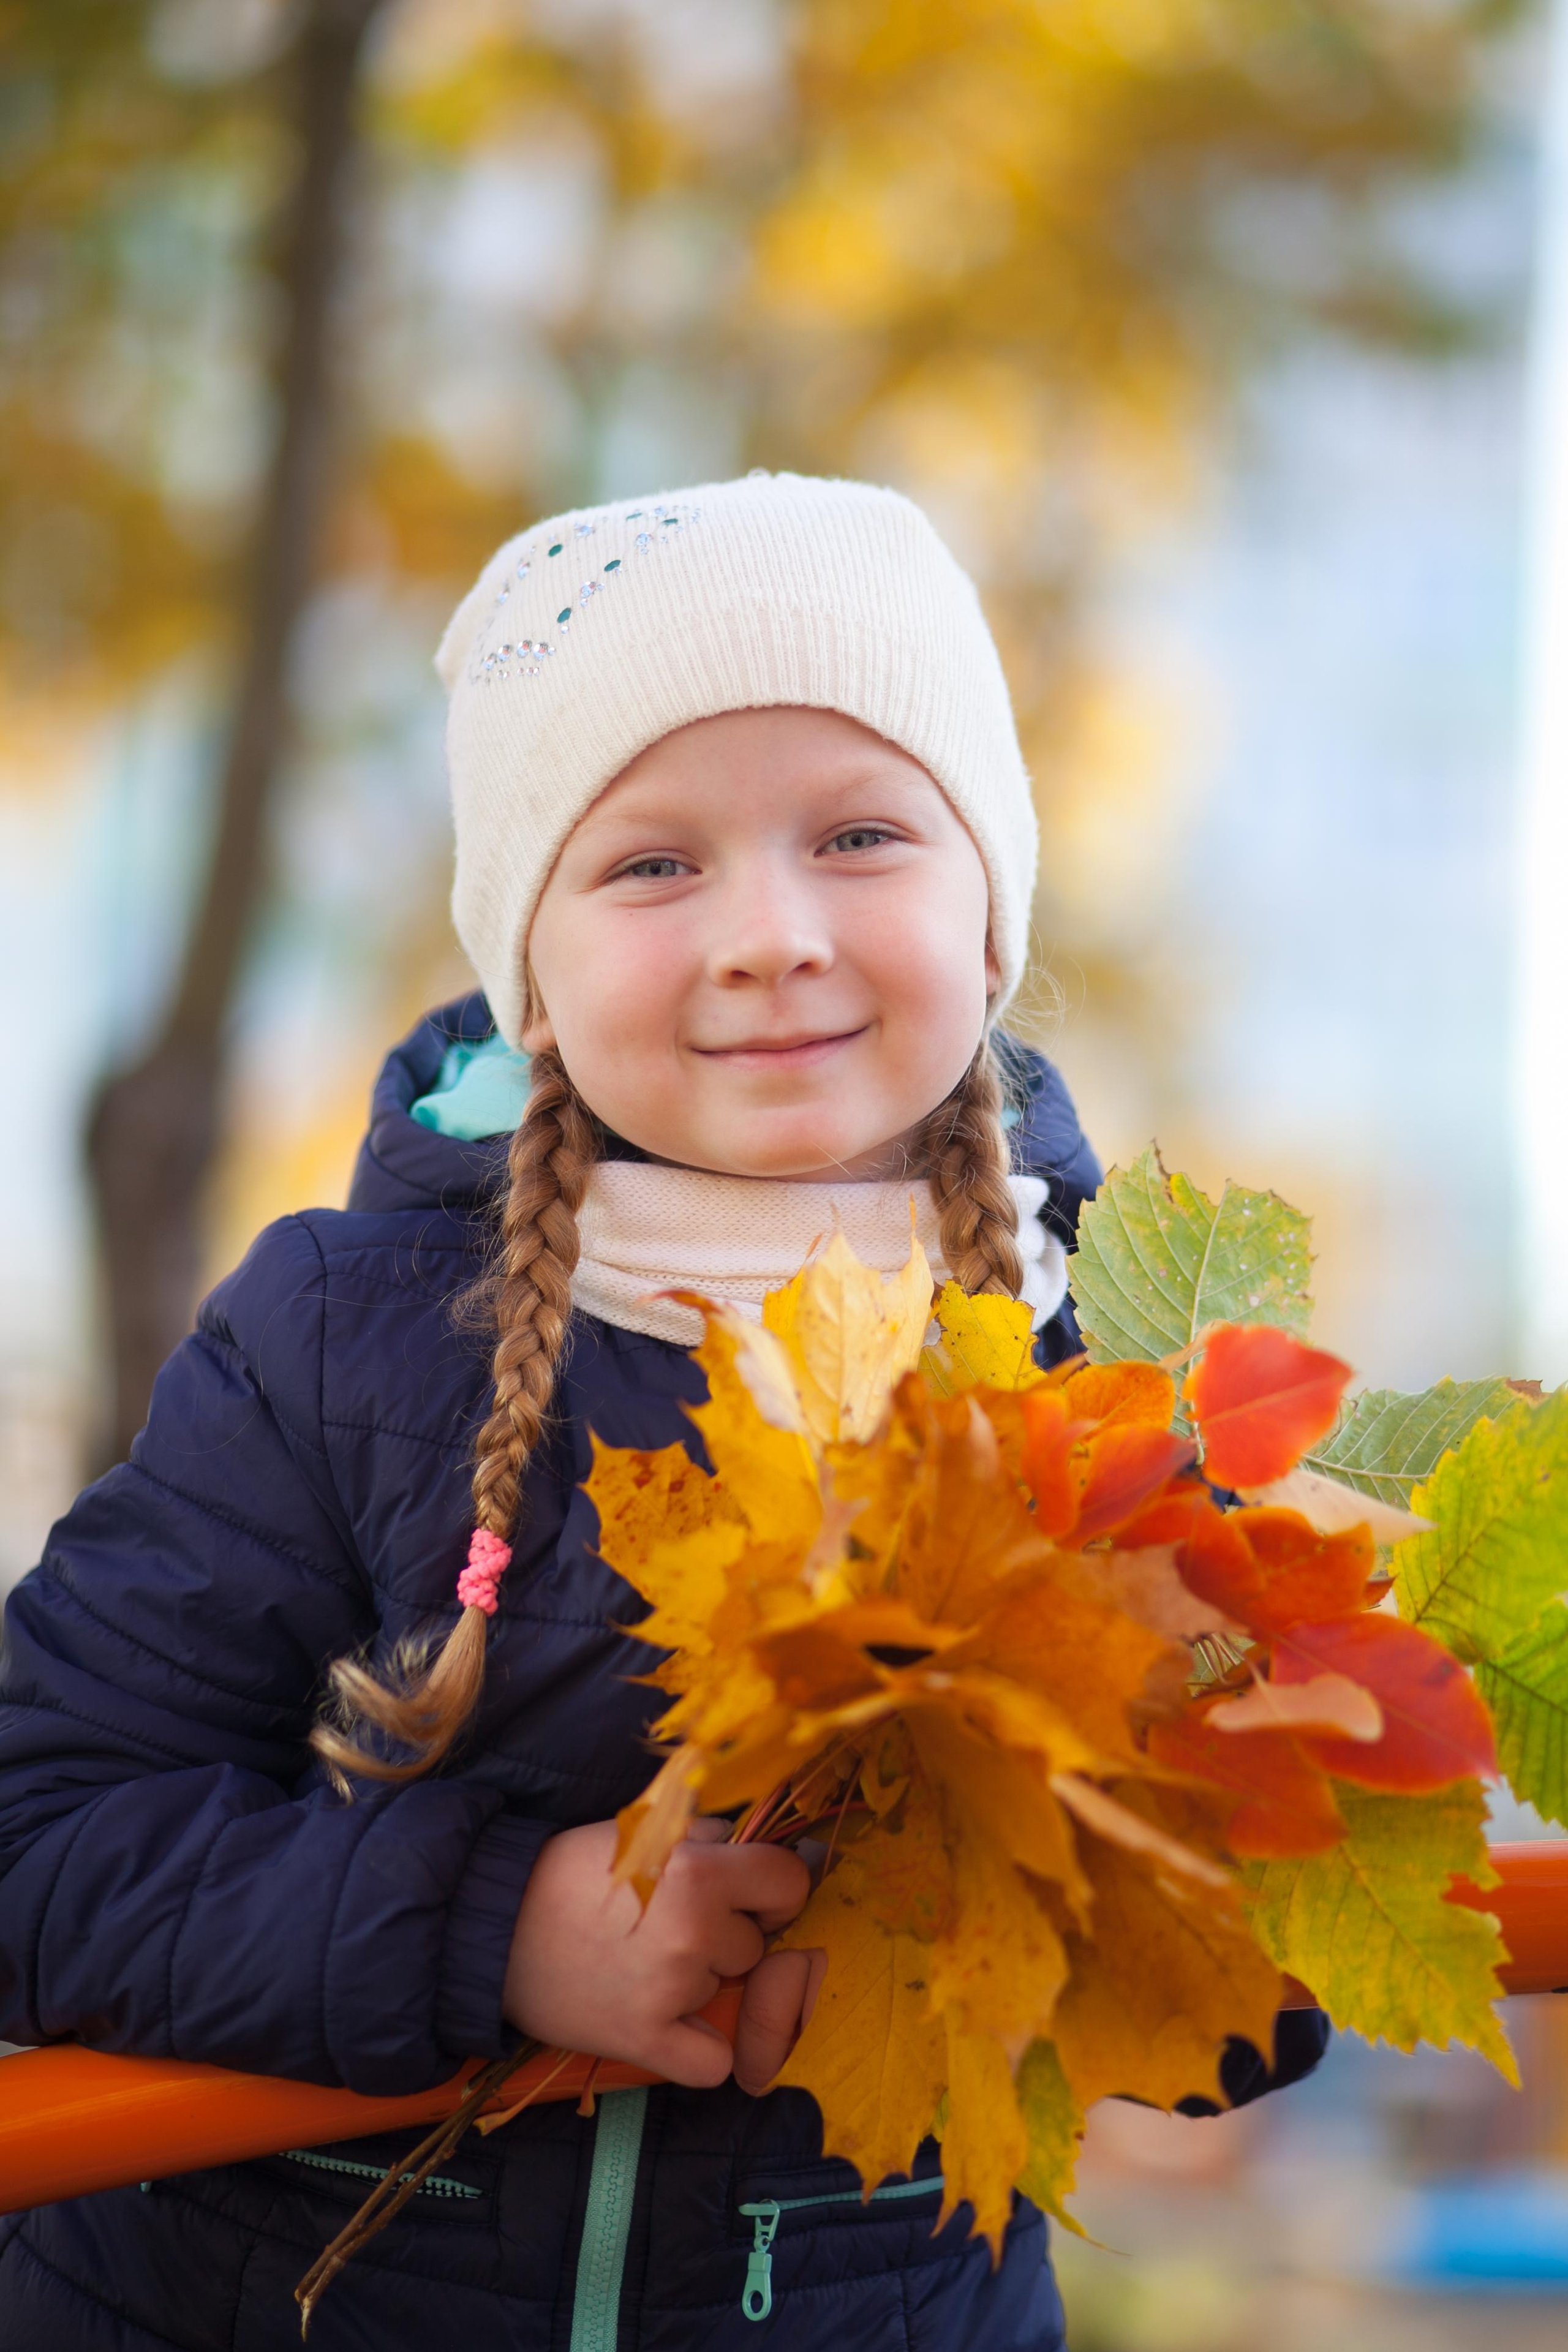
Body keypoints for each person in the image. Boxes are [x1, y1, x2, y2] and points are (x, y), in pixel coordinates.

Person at [0, 473, 1326, 2350]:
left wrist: (1085, 1875)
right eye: (652, 863)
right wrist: (502, 1933)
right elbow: (40, 1842)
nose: (770, 931)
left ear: (990, 902)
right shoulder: (340, 1340)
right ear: (529, 963)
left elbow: (1247, 2012)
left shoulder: (1097, 1374)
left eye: (861, 834)